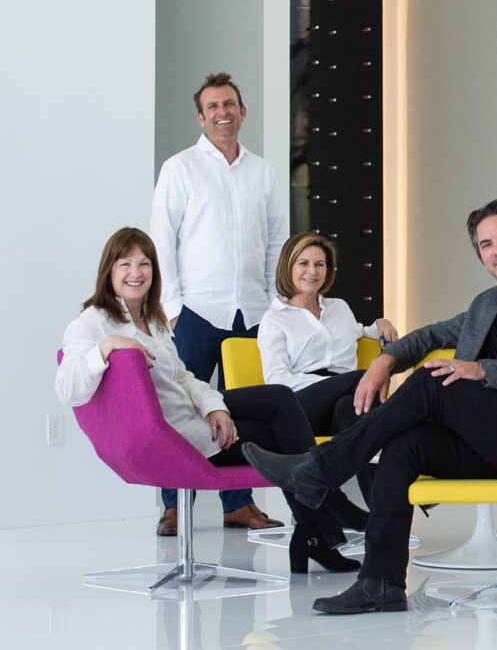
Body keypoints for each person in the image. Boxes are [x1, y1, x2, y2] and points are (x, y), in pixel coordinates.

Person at [242, 200, 497, 614]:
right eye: (486, 244)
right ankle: (380, 583)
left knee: (436, 380)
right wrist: (385, 360)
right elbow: (431, 335)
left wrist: (481, 369)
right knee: (405, 445)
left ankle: (318, 470)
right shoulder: (488, 304)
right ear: (481, 256)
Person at [55, 228, 362, 574]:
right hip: (172, 434)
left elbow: (182, 377)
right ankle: (319, 522)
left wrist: (214, 406)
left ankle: (314, 528)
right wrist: (105, 347)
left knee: (279, 399)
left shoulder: (153, 319)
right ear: (109, 270)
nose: (136, 272)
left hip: (190, 413)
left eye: (144, 264)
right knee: (281, 433)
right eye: (125, 264)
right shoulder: (94, 322)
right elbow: (67, 387)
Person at [149, 72, 288, 536]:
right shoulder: (180, 168)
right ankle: (175, 505)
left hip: (251, 312)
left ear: (242, 112)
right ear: (201, 117)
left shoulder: (263, 172)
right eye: (212, 106)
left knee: (243, 411)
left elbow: (276, 243)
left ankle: (238, 503)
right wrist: (172, 307)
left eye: (229, 104)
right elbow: (161, 241)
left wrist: (273, 303)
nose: (222, 113)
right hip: (195, 312)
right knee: (180, 406)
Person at [257, 232, 399, 500]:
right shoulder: (274, 319)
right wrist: (333, 385)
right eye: (303, 263)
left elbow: (358, 332)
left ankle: (382, 510)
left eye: (319, 264)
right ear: (288, 267)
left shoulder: (339, 308)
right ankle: (403, 455)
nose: (312, 271)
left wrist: (381, 323)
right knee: (362, 382)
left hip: (349, 398)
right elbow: (277, 380)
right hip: (300, 405)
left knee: (353, 410)